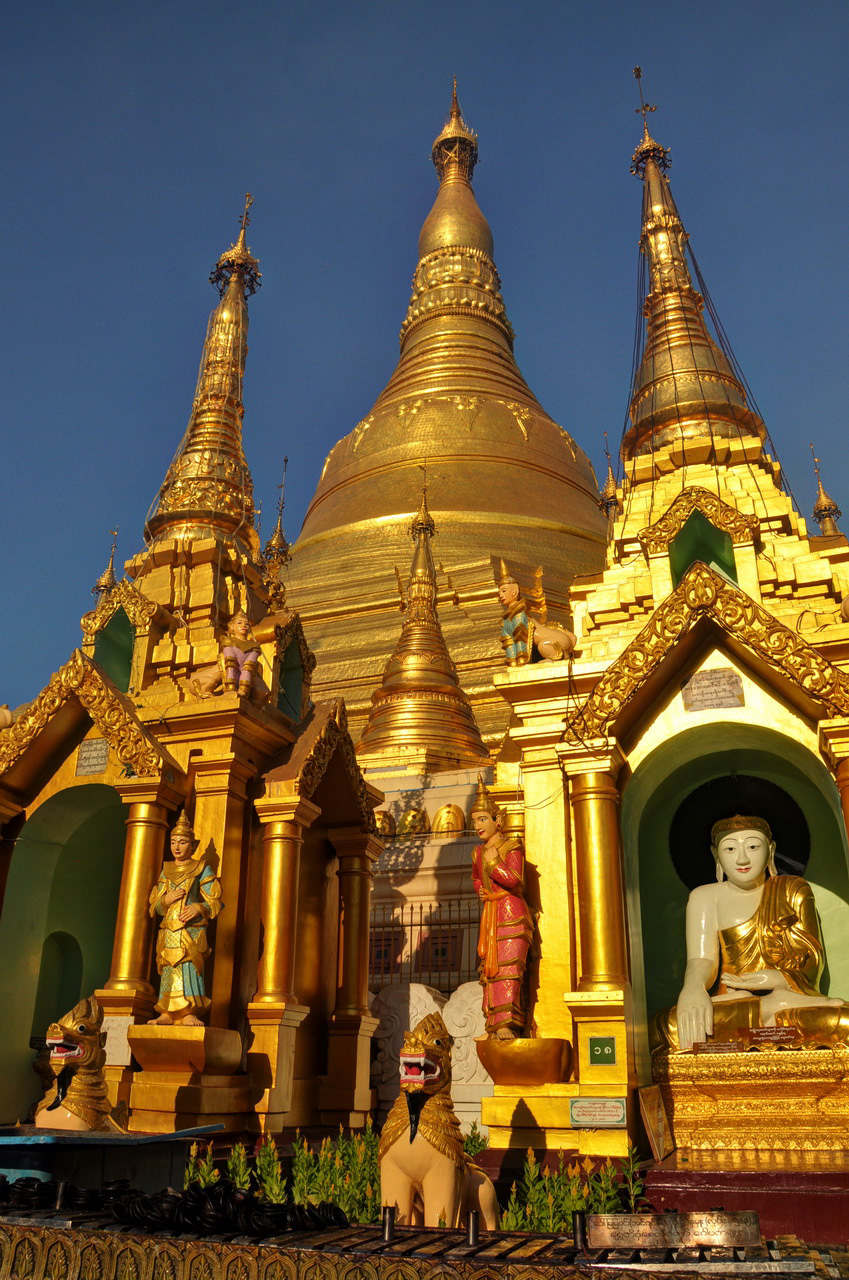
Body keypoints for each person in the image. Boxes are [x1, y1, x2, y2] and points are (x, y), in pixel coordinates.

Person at [650, 814, 849, 1052]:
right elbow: (702, 960)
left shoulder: (793, 889)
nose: (742, 858)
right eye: (730, 848)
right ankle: (771, 1007)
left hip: (789, 997)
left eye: (753, 846)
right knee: (665, 1027)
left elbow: (811, 957)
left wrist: (778, 979)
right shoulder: (704, 897)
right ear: (715, 854)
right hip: (734, 999)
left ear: (771, 850)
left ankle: (774, 1004)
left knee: (844, 1022)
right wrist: (693, 989)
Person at [470, 776, 533, 1040]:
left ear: (498, 821)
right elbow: (476, 878)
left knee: (509, 969)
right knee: (490, 972)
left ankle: (507, 1022)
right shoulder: (477, 852)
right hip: (492, 914)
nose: (477, 826)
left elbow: (515, 881)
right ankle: (492, 1024)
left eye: (483, 819)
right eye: (474, 820)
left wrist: (495, 861)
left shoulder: (511, 847)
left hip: (512, 914)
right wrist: (480, 890)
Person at [148, 810, 222, 1027]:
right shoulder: (166, 870)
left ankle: (190, 1011)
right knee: (168, 969)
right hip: (169, 929)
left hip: (190, 930)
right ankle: (167, 1012)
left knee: (189, 969)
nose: (177, 847)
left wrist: (198, 908)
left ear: (193, 845)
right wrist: (166, 899)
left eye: (182, 842)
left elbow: (216, 901)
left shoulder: (201, 868)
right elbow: (154, 906)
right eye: (173, 842)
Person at [190, 610, 270, 702]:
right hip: (209, 680)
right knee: (214, 679)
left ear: (249, 629)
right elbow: (230, 664)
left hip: (242, 681)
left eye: (247, 624)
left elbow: (248, 667)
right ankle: (204, 691)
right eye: (239, 623)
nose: (243, 625)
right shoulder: (227, 642)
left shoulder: (254, 647)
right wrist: (231, 687)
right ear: (232, 627)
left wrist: (243, 690)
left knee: (257, 683)